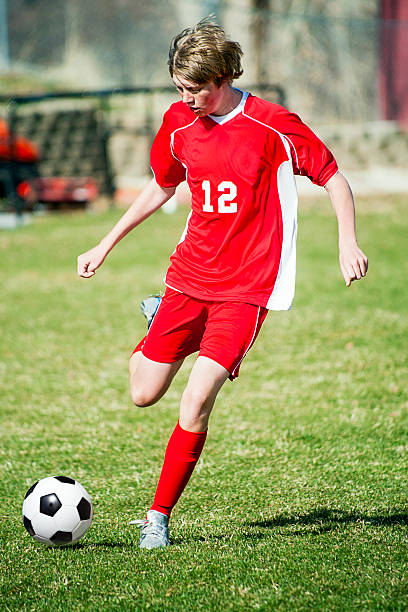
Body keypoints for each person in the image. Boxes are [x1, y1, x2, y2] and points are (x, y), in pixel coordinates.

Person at [77, 18, 368, 549]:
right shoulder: (178, 122)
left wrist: (348, 243)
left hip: (246, 288)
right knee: (143, 393)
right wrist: (104, 244)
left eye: (197, 90)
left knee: (196, 401)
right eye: (179, 88)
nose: (187, 99)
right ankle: (156, 316)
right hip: (188, 278)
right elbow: (160, 188)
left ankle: (158, 518)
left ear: (225, 77)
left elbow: (335, 178)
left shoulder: (273, 124)